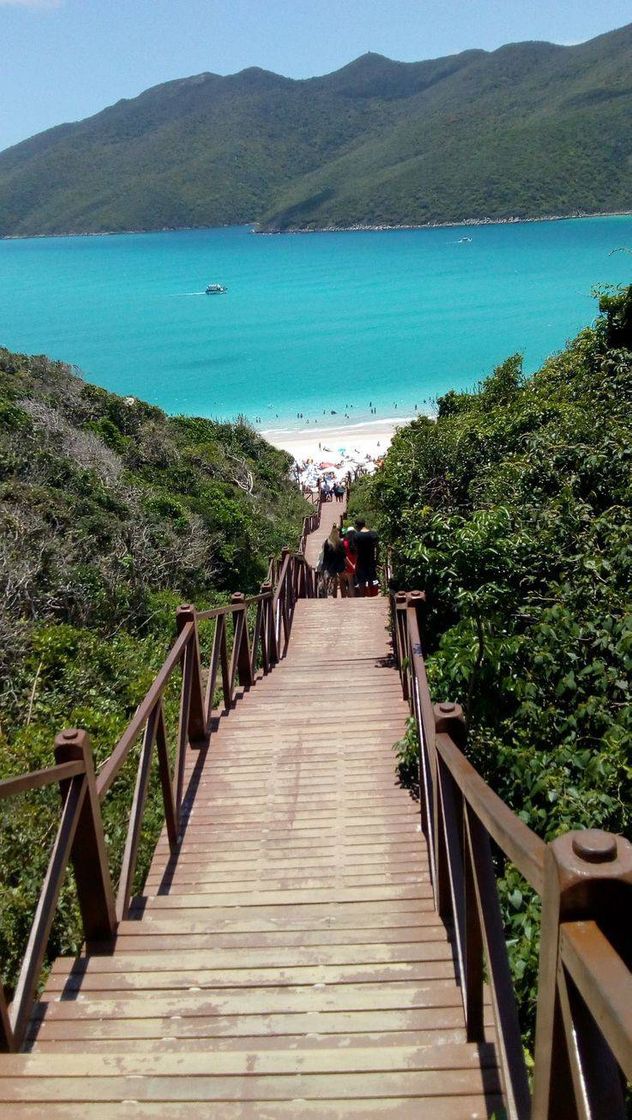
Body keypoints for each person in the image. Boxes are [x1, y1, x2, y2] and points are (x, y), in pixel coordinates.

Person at [353, 518, 379, 596]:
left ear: (357, 526)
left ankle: (362, 597)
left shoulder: (356, 536)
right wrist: (376, 559)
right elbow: (377, 548)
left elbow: (355, 551)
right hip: (371, 560)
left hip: (361, 561)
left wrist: (355, 562)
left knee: (361, 581)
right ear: (365, 524)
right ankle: (371, 596)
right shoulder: (373, 534)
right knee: (371, 580)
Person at [322, 525, 347, 597]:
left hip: (331, 564)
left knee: (334, 582)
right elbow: (344, 555)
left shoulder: (327, 542)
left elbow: (325, 556)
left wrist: (324, 567)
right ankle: (343, 596)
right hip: (340, 563)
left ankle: (335, 597)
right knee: (342, 581)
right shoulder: (340, 542)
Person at [341, 526, 357, 597]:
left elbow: (344, 556)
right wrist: (355, 564)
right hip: (357, 564)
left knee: (350, 582)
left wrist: (351, 565)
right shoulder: (357, 542)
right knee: (356, 582)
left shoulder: (344, 542)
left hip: (348, 564)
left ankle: (351, 597)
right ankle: (356, 597)